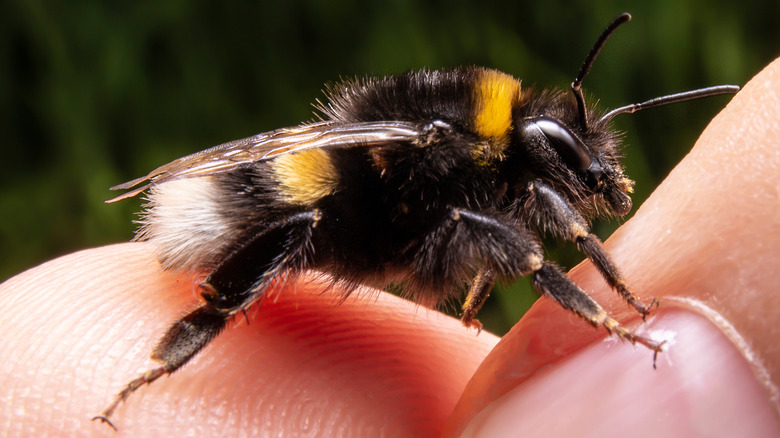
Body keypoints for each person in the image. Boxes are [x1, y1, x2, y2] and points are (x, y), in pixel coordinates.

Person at [1, 58, 778, 437]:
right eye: (563, 156)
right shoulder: (451, 155)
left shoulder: (471, 186)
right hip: (272, 208)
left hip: (303, 204)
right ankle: (167, 360)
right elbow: (505, 235)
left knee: (494, 236)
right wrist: (621, 311)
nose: (574, 182)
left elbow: (481, 232)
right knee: (310, 223)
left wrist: (489, 283)